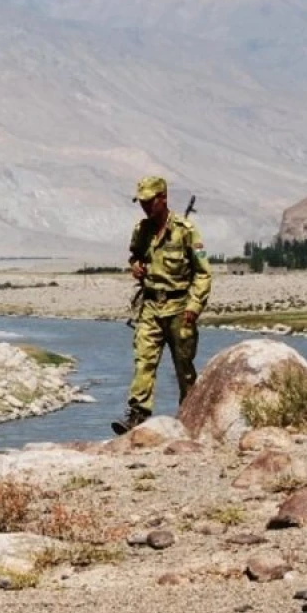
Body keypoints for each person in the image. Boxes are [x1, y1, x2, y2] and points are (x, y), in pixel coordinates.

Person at [112, 176, 212, 435]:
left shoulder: (185, 230)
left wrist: (194, 306)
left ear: (163, 199)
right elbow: (134, 255)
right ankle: (137, 415)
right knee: (144, 360)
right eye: (141, 202)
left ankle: (190, 416)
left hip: (180, 308)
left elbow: (203, 273)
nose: (144, 206)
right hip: (151, 307)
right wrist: (135, 265)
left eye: (149, 201)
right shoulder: (141, 230)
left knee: (183, 366)